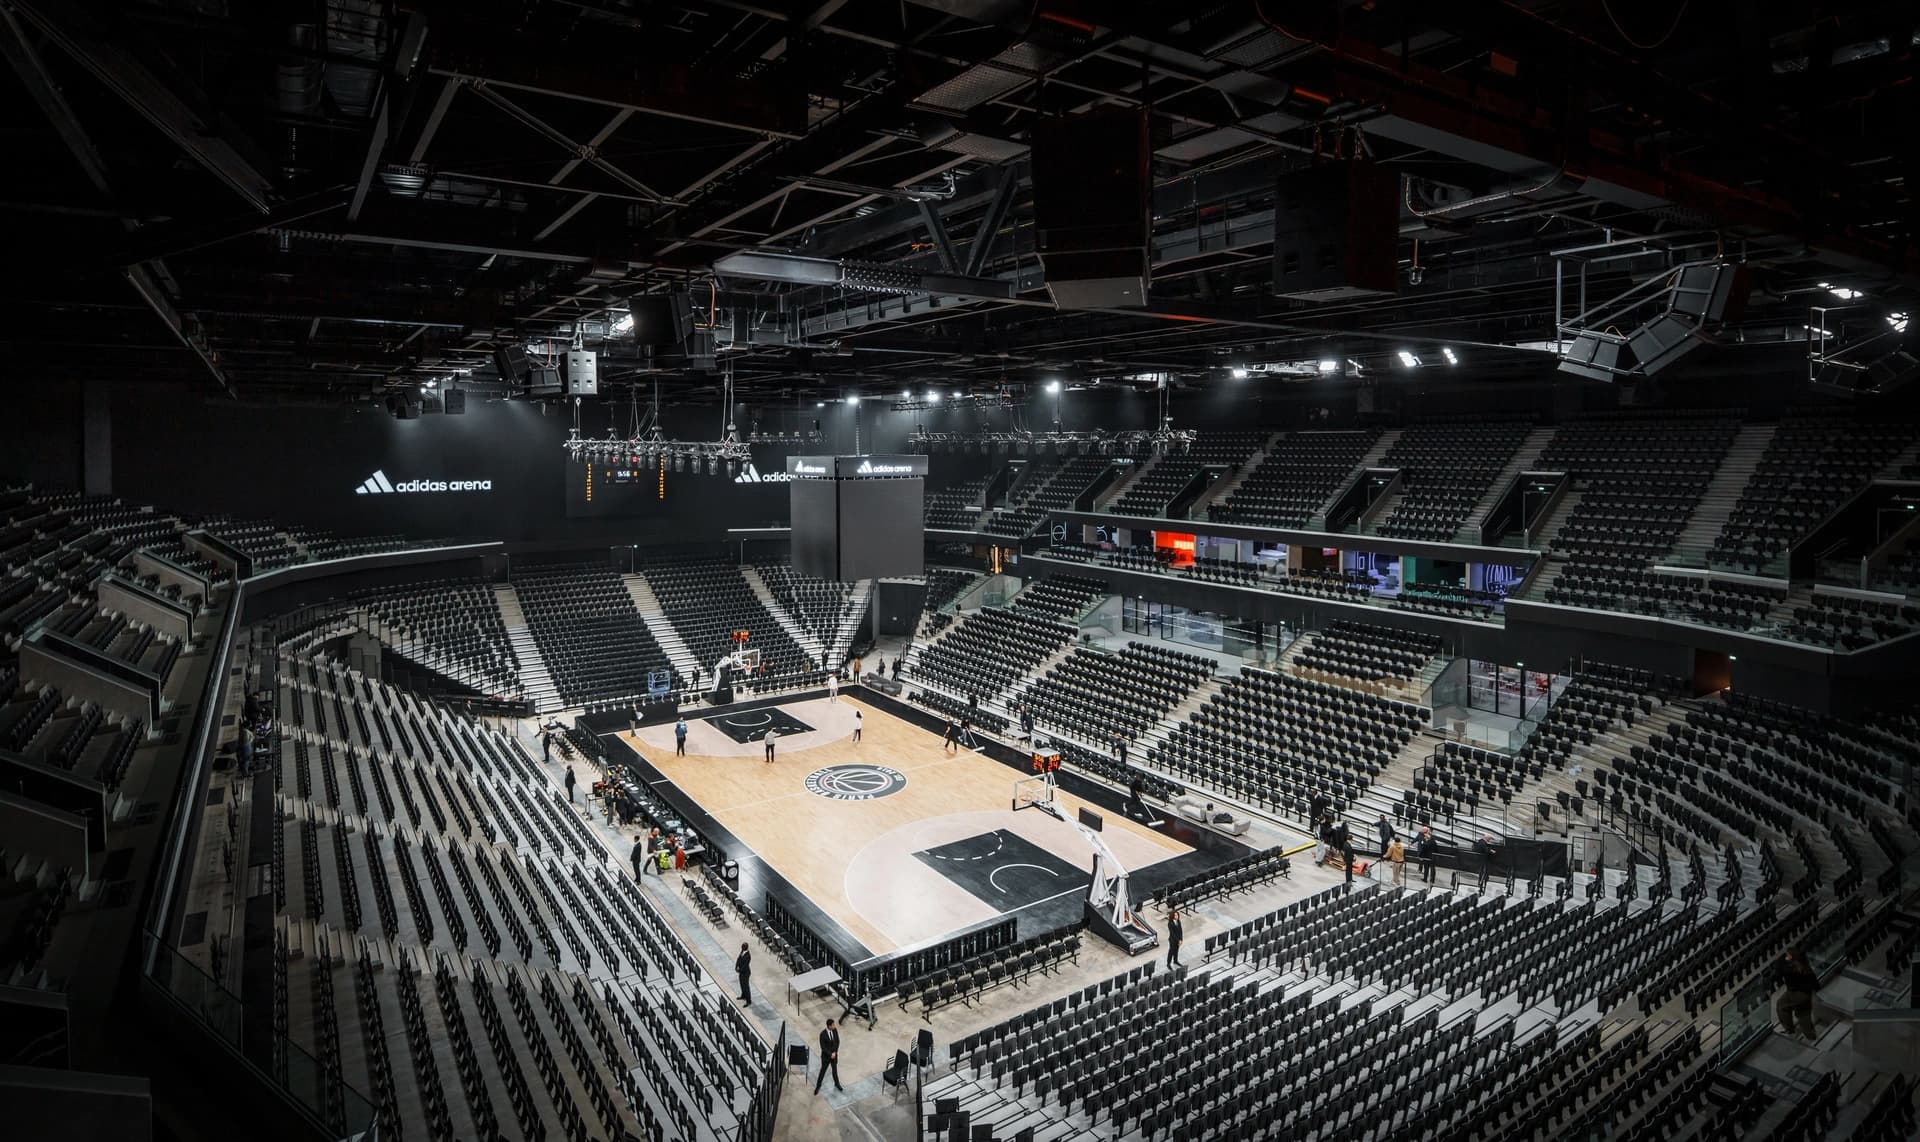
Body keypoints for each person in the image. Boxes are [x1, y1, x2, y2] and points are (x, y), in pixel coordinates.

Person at [1776, 947, 1820, 1042]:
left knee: (1781, 1005)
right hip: (1807, 994)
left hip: (1796, 994)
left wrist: (1783, 960)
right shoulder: (1805, 966)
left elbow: (1779, 970)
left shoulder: (1789, 969)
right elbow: (1816, 984)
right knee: (1803, 1014)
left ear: (1791, 957)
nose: (1786, 957)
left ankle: (1790, 1030)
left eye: (1787, 955)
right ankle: (1811, 1037)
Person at [814, 1018, 843, 1094]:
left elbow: (837, 1041)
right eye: (833, 1025)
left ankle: (837, 1084)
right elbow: (823, 1048)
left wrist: (835, 1052)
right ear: (829, 1026)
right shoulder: (822, 1035)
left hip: (834, 1056)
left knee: (834, 1071)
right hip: (826, 1057)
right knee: (822, 1072)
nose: (834, 1026)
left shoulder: (835, 1030)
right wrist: (830, 1054)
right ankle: (818, 1086)